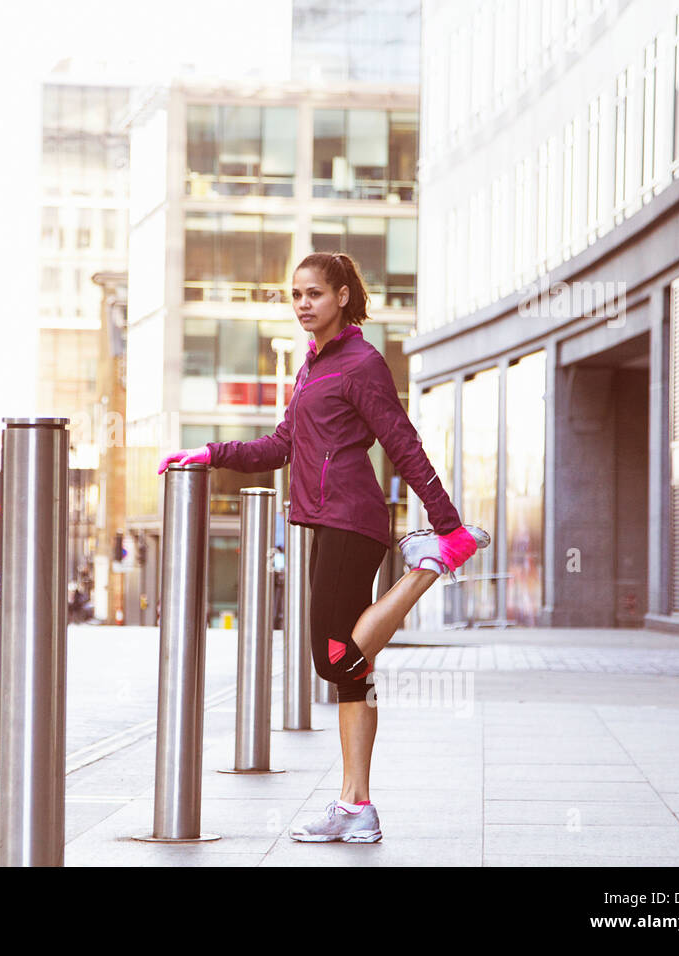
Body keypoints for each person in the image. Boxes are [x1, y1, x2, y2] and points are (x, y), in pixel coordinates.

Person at [158, 252, 489, 844]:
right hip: (326, 522)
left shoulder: (361, 363)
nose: (303, 304)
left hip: (352, 521)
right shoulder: (313, 365)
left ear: (341, 296)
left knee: (333, 658)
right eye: (296, 295)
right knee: (352, 672)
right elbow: (284, 442)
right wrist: (212, 455)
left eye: (314, 293)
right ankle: (354, 805)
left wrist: (448, 523)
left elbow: (401, 441)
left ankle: (430, 565)